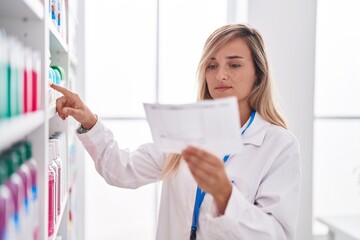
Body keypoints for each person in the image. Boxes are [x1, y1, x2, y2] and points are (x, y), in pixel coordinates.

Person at [51, 23, 301, 240]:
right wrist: (89, 122)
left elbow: (276, 235)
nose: (221, 75)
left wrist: (226, 195)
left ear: (259, 75)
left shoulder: (278, 145)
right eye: (211, 66)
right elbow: (123, 169)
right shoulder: (186, 130)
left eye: (234, 64)